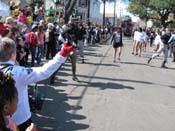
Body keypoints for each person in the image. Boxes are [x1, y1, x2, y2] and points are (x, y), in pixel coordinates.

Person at [0, 37, 76, 130]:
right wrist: (62, 53)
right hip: (20, 119)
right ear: (13, 55)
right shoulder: (18, 72)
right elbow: (43, 72)